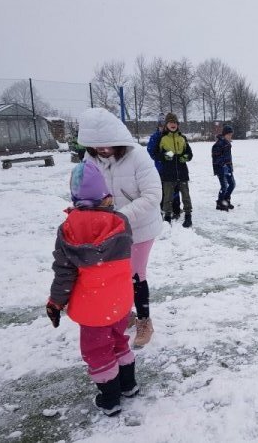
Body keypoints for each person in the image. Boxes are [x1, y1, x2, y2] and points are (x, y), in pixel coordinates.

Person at [46, 161, 139, 416]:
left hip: (92, 308)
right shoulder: (120, 222)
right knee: (119, 340)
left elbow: (64, 272)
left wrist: (55, 302)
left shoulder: (68, 228)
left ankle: (110, 399)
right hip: (119, 302)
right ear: (105, 196)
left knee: (98, 351)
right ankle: (128, 385)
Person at [79, 107, 162, 348]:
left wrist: (119, 216)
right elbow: (86, 191)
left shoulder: (138, 156)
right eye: (96, 146)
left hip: (140, 228)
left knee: (135, 275)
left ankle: (144, 321)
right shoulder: (90, 159)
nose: (101, 150)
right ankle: (125, 314)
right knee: (113, 275)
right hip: (108, 230)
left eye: (105, 145)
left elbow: (153, 195)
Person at [154, 113, 193, 228]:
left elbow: (189, 154)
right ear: (166, 125)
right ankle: (167, 217)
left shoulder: (182, 138)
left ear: (178, 125)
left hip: (182, 173)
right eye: (170, 122)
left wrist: (184, 157)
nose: (173, 124)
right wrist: (165, 156)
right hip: (168, 174)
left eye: (175, 122)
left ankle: (188, 216)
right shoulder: (162, 138)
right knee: (168, 197)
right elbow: (155, 154)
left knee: (186, 195)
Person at [146, 114, 182, 220]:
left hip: (174, 168)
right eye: (160, 125)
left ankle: (176, 208)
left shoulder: (172, 135)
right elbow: (152, 153)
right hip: (161, 169)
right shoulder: (156, 137)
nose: (162, 127)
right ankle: (163, 209)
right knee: (163, 190)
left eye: (164, 125)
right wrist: (168, 155)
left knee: (175, 188)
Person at [212, 125, 236, 211]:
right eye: (228, 135)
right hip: (220, 168)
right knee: (224, 186)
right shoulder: (218, 144)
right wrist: (223, 164)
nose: (230, 136)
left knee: (232, 184)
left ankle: (226, 201)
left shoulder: (227, 143)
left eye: (231, 135)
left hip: (228, 168)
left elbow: (227, 157)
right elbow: (216, 158)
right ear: (224, 134)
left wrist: (229, 166)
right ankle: (220, 203)